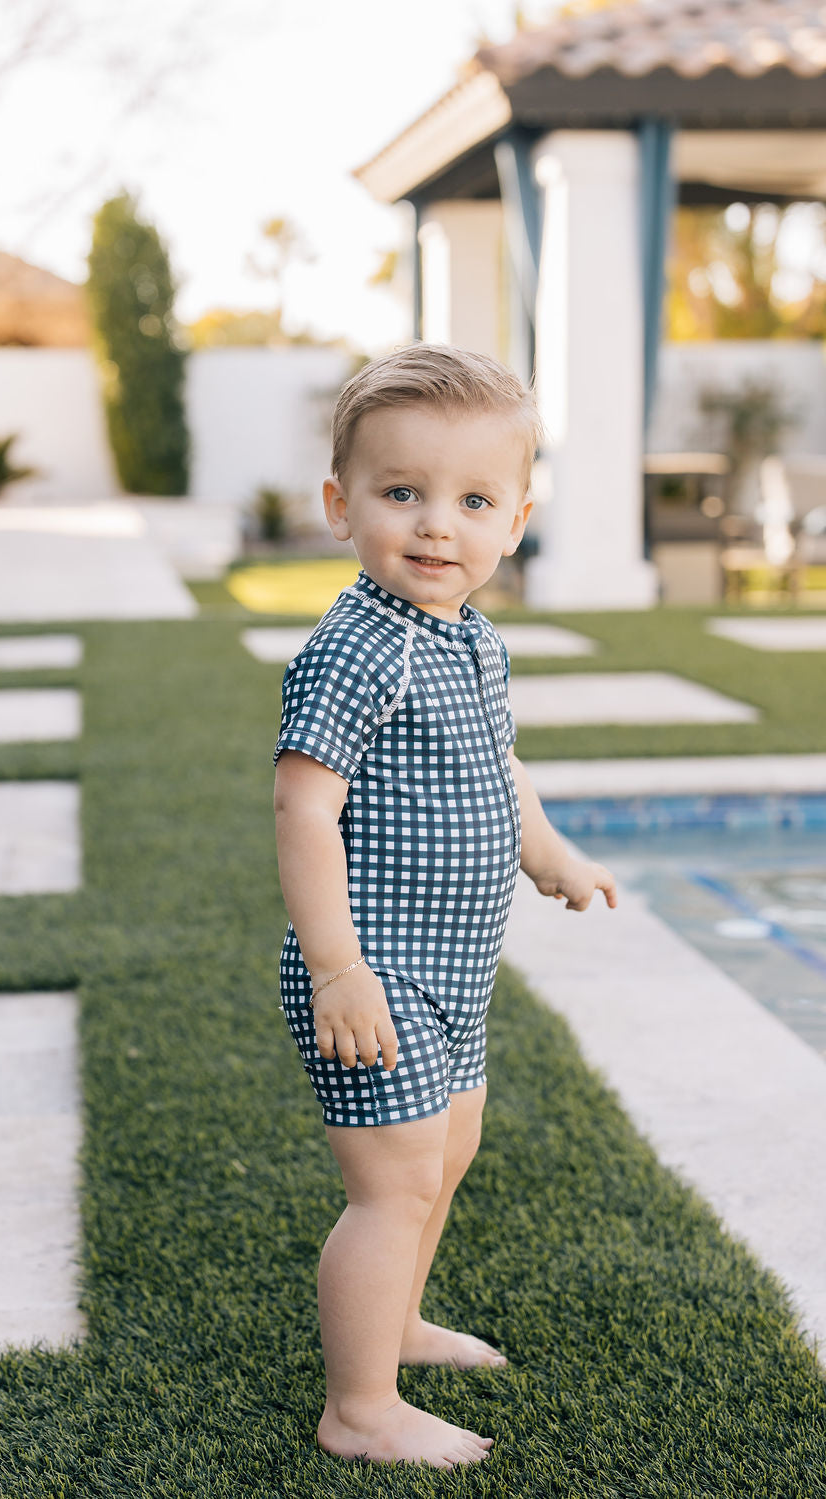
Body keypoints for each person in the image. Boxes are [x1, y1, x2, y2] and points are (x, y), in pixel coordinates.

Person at [272, 343, 618, 1469]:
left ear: (515, 520)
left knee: (448, 1150)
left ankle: (401, 1321)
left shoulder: (471, 640)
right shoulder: (355, 649)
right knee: (393, 1182)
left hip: (453, 971)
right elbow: (303, 810)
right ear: (342, 505)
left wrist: (550, 854)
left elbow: (497, 767)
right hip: (374, 973)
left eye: (473, 500)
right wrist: (337, 968)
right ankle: (359, 1407)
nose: (436, 526)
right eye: (402, 492)